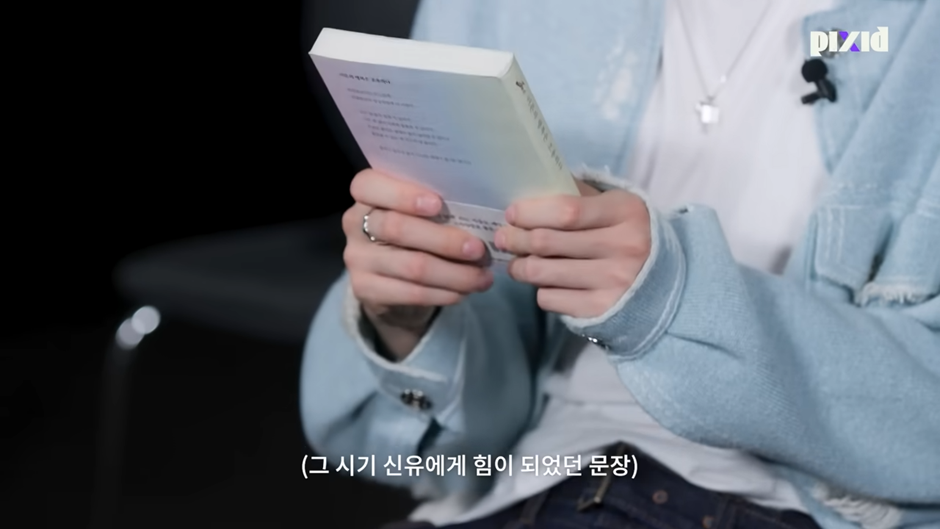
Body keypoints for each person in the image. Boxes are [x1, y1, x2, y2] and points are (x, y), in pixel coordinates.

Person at [301, 1, 940, 528]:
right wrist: (406, 324)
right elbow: (427, 454)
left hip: (781, 505)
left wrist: (675, 300)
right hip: (527, 485)